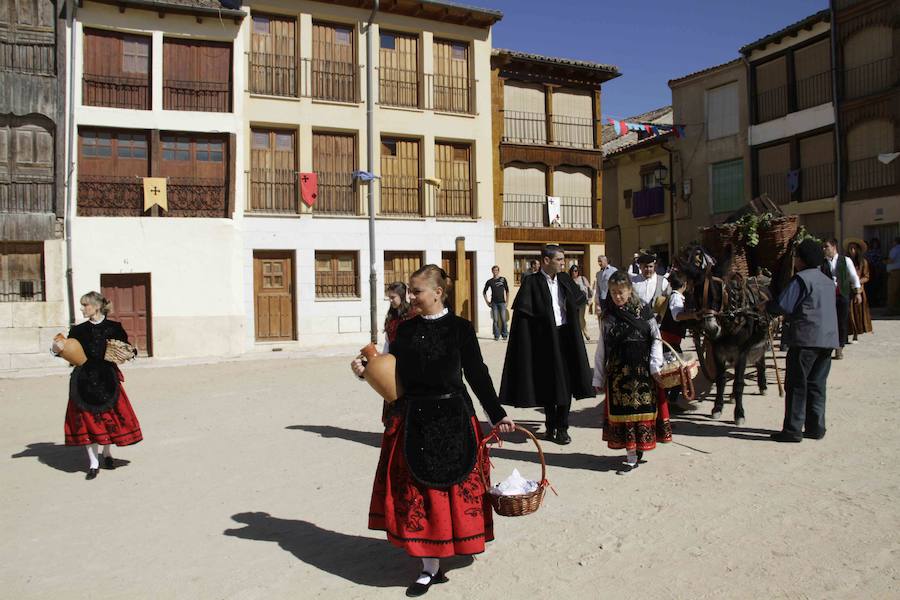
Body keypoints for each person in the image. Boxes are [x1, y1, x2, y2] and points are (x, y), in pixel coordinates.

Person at [351, 265, 514, 597]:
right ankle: (428, 567)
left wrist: (496, 414)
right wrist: (363, 372)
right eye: (410, 291)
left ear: (438, 293)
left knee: (451, 491)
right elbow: (389, 375)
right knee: (419, 495)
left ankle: (448, 548)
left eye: (417, 291)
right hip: (415, 419)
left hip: (454, 417)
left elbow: (477, 373)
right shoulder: (403, 331)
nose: (411, 297)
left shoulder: (460, 329)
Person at [499, 244, 594, 445]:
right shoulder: (531, 282)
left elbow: (578, 302)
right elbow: (523, 319)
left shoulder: (566, 280)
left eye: (563, 259)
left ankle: (562, 427)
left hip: (565, 337)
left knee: (566, 383)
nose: (563, 262)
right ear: (546, 261)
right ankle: (551, 426)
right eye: (559, 259)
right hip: (544, 342)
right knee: (549, 384)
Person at [52, 292, 143, 480]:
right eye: (82, 305)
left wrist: (131, 353)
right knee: (88, 420)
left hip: (107, 378)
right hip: (83, 379)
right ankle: (93, 463)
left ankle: (107, 453)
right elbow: (66, 351)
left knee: (109, 418)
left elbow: (126, 349)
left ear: (96, 307)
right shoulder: (78, 330)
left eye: (85, 305)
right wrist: (56, 349)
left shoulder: (114, 327)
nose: (82, 309)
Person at [592, 271, 670, 473]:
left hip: (642, 372)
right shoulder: (608, 316)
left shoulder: (644, 311)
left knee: (640, 413)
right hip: (618, 374)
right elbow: (602, 348)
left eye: (621, 292)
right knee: (625, 416)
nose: (617, 296)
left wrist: (655, 365)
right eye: (613, 292)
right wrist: (598, 376)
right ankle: (631, 455)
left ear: (629, 290)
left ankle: (637, 450)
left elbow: (656, 339)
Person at [766, 239, 839, 442]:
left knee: (797, 385)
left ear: (803, 259)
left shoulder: (801, 279)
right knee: (817, 384)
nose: (795, 260)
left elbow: (784, 306)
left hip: (805, 340)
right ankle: (816, 428)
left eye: (797, 256)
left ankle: (792, 430)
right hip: (827, 340)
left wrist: (766, 306)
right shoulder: (826, 280)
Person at [658, 273, 698, 410]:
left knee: (675, 370)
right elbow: (677, 316)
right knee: (678, 371)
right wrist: (693, 315)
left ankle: (668, 400)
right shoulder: (676, 297)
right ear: (685, 285)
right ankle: (669, 401)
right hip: (669, 339)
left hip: (671, 338)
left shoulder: (676, 296)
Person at [822, 238, 862, 359]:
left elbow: (854, 276)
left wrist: (858, 292)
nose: (824, 249)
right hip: (828, 296)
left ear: (834, 247)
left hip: (842, 295)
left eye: (826, 247)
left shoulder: (845, 260)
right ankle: (828, 347)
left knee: (842, 321)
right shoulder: (822, 262)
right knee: (828, 322)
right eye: (823, 247)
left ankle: (839, 348)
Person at [845, 239, 873, 341]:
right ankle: (847, 333)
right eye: (850, 248)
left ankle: (856, 332)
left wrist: (857, 281)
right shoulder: (846, 261)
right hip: (847, 289)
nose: (852, 250)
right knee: (847, 313)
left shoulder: (863, 262)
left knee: (857, 313)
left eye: (854, 248)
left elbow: (867, 276)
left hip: (859, 290)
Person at [631, 252, 671, 321]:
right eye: (646, 267)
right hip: (638, 321)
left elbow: (668, 300)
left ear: (654, 266)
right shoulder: (633, 281)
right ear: (640, 267)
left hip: (656, 321)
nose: (648, 269)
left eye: (651, 267)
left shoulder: (663, 281)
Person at [384, 281, 415, 353]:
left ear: (402, 296)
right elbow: (387, 342)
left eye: (393, 297)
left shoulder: (412, 315)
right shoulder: (391, 315)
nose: (390, 300)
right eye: (389, 297)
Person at [482, 265, 509, 341]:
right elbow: (484, 292)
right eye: (494, 270)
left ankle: (504, 335)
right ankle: (496, 335)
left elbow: (507, 291)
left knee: (504, 319)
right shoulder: (489, 281)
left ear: (498, 271)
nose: (495, 272)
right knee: (495, 320)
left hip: (502, 303)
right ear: (492, 271)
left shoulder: (503, 279)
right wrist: (487, 302)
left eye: (496, 270)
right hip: (494, 303)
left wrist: (507, 301)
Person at [569, 264, 592, 341]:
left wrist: (589, 299)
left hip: (582, 301)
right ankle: (577, 334)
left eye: (576, 271)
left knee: (581, 318)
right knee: (575, 319)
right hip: (573, 302)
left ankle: (586, 333)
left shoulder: (582, 278)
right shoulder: (569, 280)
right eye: (573, 271)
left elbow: (589, 289)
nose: (574, 272)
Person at [592, 255, 617, 319]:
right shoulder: (598, 274)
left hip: (611, 298)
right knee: (603, 318)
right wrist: (596, 299)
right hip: (602, 299)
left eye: (601, 261)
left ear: (605, 261)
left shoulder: (613, 270)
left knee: (612, 317)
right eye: (598, 261)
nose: (599, 263)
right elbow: (598, 287)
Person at [864, 238, 885, 307]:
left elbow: (880, 260)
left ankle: (875, 301)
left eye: (876, 243)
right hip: (869, 270)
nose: (874, 245)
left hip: (877, 270)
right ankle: (870, 301)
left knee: (876, 287)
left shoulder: (879, 252)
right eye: (873, 243)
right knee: (869, 287)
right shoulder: (868, 252)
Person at [888, 237, 900, 316]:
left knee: (892, 291)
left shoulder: (895, 249)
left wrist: (884, 261)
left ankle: (891, 310)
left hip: (895, 271)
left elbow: (891, 260)